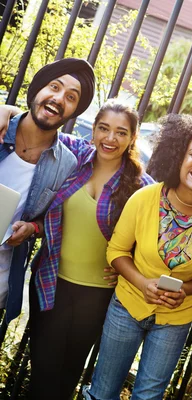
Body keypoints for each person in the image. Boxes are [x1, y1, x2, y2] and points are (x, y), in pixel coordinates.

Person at [83, 114, 192, 400]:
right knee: (102, 392)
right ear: (179, 157)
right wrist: (141, 283)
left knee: (149, 396)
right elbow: (116, 251)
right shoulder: (145, 198)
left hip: (175, 321)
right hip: (126, 307)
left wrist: (185, 290)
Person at [2, 100, 153, 399]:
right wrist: (6, 111)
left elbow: (151, 242)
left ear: (132, 138)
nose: (110, 139)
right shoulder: (72, 157)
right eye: (104, 129)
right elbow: (34, 126)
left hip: (98, 294)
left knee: (68, 374)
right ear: (93, 130)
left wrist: (129, 268)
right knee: (43, 371)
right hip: (51, 283)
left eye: (121, 133)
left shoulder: (141, 187)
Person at [0, 58, 95, 336]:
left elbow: (49, 219)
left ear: (74, 110)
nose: (58, 98)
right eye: (54, 86)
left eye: (71, 97)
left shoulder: (66, 164)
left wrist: (32, 228)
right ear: (38, 89)